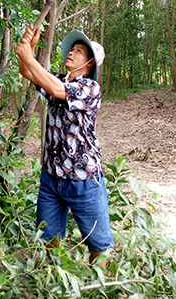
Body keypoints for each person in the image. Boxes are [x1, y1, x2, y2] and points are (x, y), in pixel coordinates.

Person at [15, 24, 113, 266]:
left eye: (78, 51)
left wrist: (28, 56)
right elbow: (27, 74)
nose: (70, 52)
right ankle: (54, 277)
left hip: (83, 179)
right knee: (48, 235)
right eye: (72, 49)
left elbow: (58, 89)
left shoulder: (90, 88)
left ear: (89, 64)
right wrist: (30, 47)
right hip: (51, 177)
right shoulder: (57, 80)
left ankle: (97, 286)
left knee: (98, 244)